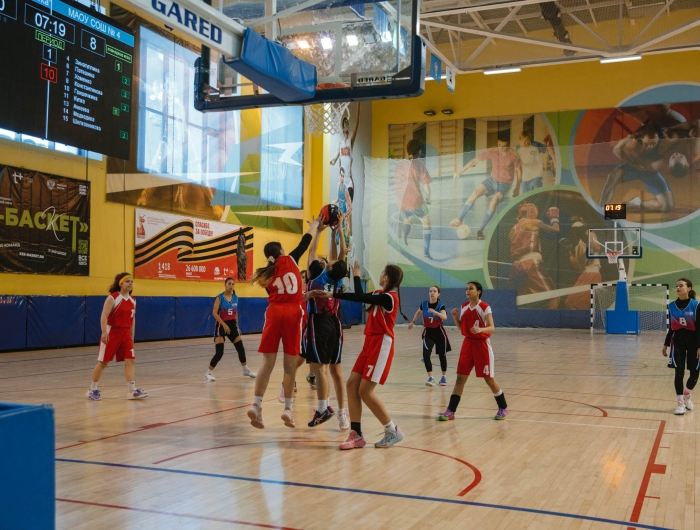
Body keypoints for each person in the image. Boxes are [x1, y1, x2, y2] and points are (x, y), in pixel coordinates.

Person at [310, 261, 407, 449]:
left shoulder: (390, 298)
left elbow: (360, 296)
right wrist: (331, 294)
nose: (380, 275)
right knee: (352, 384)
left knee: (365, 391)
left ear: (386, 277)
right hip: (369, 344)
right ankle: (356, 434)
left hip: (381, 344)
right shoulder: (379, 294)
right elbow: (357, 297)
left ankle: (392, 430)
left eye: (382, 272)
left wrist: (355, 276)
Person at [247, 218, 321, 429]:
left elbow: (278, 293)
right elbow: (305, 243)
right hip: (292, 314)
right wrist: (315, 226)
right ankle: (288, 409)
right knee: (289, 367)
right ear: (281, 251)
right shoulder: (291, 259)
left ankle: (256, 405)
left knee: (266, 364)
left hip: (274, 313)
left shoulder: (266, 274)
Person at [302, 213, 350, 429]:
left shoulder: (316, 277)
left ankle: (323, 409)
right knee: (334, 370)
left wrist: (319, 231)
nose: (325, 261)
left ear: (328, 267)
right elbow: (341, 255)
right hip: (335, 324)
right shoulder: (337, 278)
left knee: (320, 368)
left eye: (326, 262)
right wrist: (337, 231)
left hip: (320, 323)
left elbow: (312, 251)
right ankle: (340, 412)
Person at [439, 282, 509, 421]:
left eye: (471, 288)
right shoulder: (464, 306)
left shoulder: (485, 307)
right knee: (460, 379)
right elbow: (461, 327)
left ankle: (503, 407)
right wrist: (455, 317)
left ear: (478, 292)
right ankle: (450, 411)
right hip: (467, 344)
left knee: (489, 380)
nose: (467, 290)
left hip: (482, 345)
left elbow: (492, 328)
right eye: (466, 288)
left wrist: (480, 329)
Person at [86, 273, 148, 401]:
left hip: (126, 334)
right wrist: (104, 332)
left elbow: (132, 319)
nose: (130, 283)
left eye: (132, 281)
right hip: (112, 332)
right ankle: (92, 390)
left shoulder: (133, 300)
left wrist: (132, 336)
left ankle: (131, 391)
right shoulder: (113, 298)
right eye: (127, 281)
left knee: (130, 361)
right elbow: (104, 315)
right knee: (103, 362)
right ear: (121, 284)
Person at [451, 136, 522, 240]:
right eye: (499, 145)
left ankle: (480, 230)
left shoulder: (513, 155)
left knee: (494, 201)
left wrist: (517, 187)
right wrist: (460, 171)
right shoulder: (492, 151)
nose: (501, 148)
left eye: (504, 146)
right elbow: (475, 161)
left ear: (508, 145)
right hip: (492, 179)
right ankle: (459, 219)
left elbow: (519, 171)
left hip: (505, 184)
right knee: (475, 192)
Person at [599, 126, 675, 212]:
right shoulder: (633, 141)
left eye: (653, 143)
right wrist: (632, 163)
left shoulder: (664, 143)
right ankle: (601, 209)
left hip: (650, 172)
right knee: (612, 177)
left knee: (667, 207)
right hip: (633, 167)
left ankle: (636, 203)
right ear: (641, 138)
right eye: (646, 144)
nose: (650, 146)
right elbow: (616, 150)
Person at [204, 277, 257, 382]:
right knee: (219, 352)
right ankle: (208, 373)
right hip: (221, 324)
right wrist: (224, 325)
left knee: (240, 348)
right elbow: (214, 313)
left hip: (232, 324)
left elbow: (235, 312)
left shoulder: (235, 298)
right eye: (229, 284)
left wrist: (237, 326)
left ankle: (245, 369)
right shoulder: (219, 298)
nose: (231, 286)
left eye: (233, 284)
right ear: (225, 285)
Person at [508, 202, 560, 308]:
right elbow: (556, 230)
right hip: (531, 264)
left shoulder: (512, 230)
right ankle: (549, 319)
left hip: (516, 266)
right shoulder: (533, 222)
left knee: (517, 300)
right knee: (554, 296)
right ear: (532, 212)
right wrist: (554, 219)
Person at [662, 278, 700, 415]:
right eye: (676, 286)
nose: (678, 288)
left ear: (688, 288)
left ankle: (687, 394)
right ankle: (680, 403)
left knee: (695, 372)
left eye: (681, 285)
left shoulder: (696, 305)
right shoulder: (671, 306)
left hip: (694, 340)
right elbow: (672, 327)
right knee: (679, 371)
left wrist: (699, 346)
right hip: (677, 340)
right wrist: (666, 343)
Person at [394, 139, 433, 259]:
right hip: (416, 200)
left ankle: (404, 239)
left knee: (408, 220)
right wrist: (429, 198)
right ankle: (426, 253)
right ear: (419, 151)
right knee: (426, 223)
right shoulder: (419, 165)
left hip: (401, 201)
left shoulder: (400, 165)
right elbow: (426, 186)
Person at [408, 286, 451, 387]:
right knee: (426, 354)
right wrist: (413, 322)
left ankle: (444, 377)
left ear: (438, 294)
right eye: (430, 291)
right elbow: (419, 312)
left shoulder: (441, 305)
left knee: (442, 355)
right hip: (428, 332)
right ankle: (431, 378)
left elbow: (445, 317)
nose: (432, 293)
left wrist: (435, 312)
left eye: (434, 291)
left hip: (439, 332)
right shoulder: (424, 304)